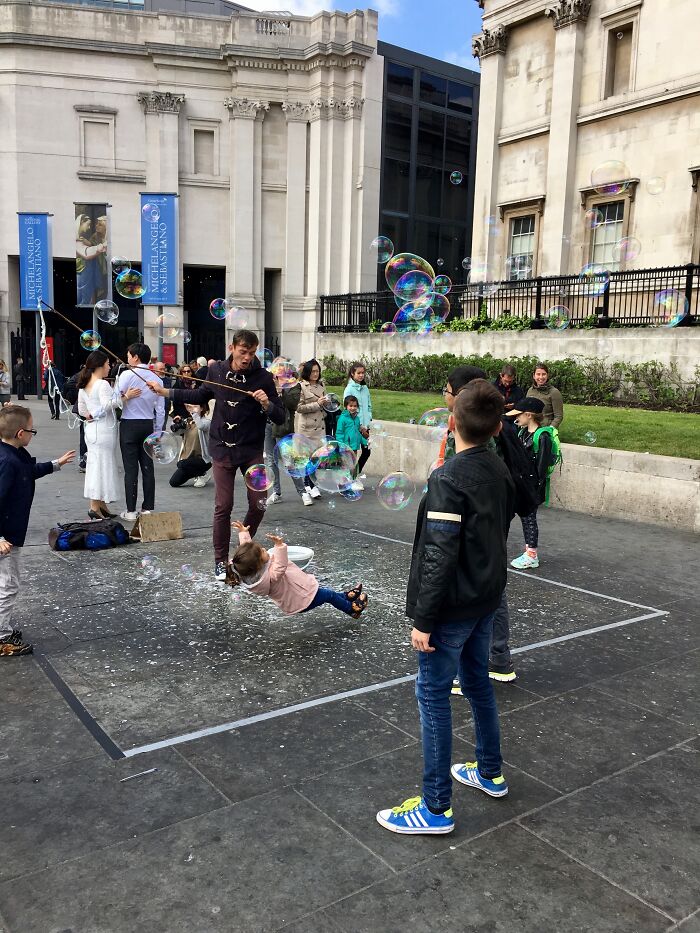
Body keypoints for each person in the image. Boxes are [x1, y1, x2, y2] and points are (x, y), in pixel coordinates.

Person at [376, 380, 514, 835]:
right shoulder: (498, 467)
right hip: (485, 599)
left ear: (452, 422)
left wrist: (425, 619)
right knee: (477, 684)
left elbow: (439, 554)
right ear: (498, 427)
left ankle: (435, 808)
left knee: (433, 695)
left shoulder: (449, 478)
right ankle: (490, 772)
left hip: (452, 607)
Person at [149, 329, 284, 582]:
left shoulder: (263, 377)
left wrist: (267, 404)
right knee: (223, 505)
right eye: (243, 352)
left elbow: (280, 416)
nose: (247, 358)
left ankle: (242, 550)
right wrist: (164, 392)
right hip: (222, 448)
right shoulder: (217, 371)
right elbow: (199, 395)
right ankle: (220, 561)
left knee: (259, 503)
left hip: (251, 449)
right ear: (232, 348)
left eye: (251, 353)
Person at [0, 405, 75, 657]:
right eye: (32, 430)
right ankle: (1, 637)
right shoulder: (7, 462)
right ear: (21, 433)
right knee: (8, 585)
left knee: (8, 583)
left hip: (10, 533)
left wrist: (56, 464)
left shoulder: (14, 454)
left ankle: (3, 628)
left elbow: (29, 471)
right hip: (5, 537)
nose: (33, 434)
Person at [228, 522, 368, 617]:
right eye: (262, 552)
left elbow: (247, 553)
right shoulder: (271, 576)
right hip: (301, 599)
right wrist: (279, 546)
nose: (264, 549)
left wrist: (243, 533)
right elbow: (281, 565)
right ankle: (352, 609)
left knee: (325, 592)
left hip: (297, 593)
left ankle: (345, 597)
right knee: (328, 595)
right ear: (258, 564)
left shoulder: (250, 569)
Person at [78, 351, 137, 520]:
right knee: (101, 467)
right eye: (107, 364)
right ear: (99, 366)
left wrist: (90, 415)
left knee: (95, 466)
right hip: (103, 430)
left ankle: (101, 505)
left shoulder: (85, 384)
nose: (109, 367)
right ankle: (94, 507)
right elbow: (107, 405)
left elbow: (82, 410)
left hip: (92, 430)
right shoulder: (102, 384)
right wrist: (126, 397)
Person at [117, 343, 165, 521]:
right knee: (147, 467)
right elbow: (160, 410)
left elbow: (116, 399)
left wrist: (126, 396)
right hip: (147, 424)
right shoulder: (156, 378)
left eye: (129, 355)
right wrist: (158, 431)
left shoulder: (126, 375)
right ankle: (147, 508)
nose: (127, 358)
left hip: (129, 423)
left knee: (130, 469)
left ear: (136, 357)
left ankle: (131, 510)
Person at [507, 396, 552, 570]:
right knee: (514, 516)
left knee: (529, 519)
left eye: (518, 415)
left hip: (531, 487)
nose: (516, 418)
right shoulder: (522, 432)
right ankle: (527, 552)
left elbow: (541, 468)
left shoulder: (543, 437)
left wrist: (532, 491)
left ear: (529, 415)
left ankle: (532, 555)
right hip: (521, 484)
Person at [293, 359, 329, 506]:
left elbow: (325, 405)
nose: (315, 374)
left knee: (316, 458)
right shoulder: (301, 386)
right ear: (307, 372)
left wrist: (328, 404)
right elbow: (299, 407)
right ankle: (311, 485)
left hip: (319, 426)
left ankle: (309, 484)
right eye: (313, 371)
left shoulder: (322, 385)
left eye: (317, 371)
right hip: (307, 428)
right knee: (309, 458)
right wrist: (317, 404)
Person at [168, 401, 213, 488]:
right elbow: (175, 433)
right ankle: (197, 473)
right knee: (174, 482)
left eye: (195, 407)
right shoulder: (188, 422)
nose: (192, 409)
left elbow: (201, 426)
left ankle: (202, 474)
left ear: (202, 408)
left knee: (181, 464)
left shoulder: (207, 422)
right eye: (190, 407)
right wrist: (175, 423)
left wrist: (194, 414)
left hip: (203, 460)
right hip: (188, 460)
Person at [336, 395, 370, 487]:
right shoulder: (342, 418)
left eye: (355, 406)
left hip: (354, 447)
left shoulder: (357, 419)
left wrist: (365, 442)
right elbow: (339, 433)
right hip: (346, 447)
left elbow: (358, 434)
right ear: (346, 406)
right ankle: (341, 484)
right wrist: (341, 445)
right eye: (350, 406)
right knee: (345, 466)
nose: (353, 408)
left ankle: (349, 483)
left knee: (352, 466)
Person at [527, 362, 564, 428]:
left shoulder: (554, 392)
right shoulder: (530, 391)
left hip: (546, 428)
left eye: (543, 374)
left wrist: (550, 429)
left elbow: (558, 416)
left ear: (547, 375)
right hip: (530, 427)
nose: (541, 377)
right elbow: (526, 410)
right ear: (534, 376)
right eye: (538, 374)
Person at [343, 362, 372, 437]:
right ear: (352, 374)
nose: (361, 375)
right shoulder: (349, 389)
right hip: (354, 426)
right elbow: (347, 409)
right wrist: (357, 424)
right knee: (354, 444)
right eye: (358, 373)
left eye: (363, 373)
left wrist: (369, 417)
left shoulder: (365, 388)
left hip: (366, 426)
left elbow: (369, 405)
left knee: (366, 444)